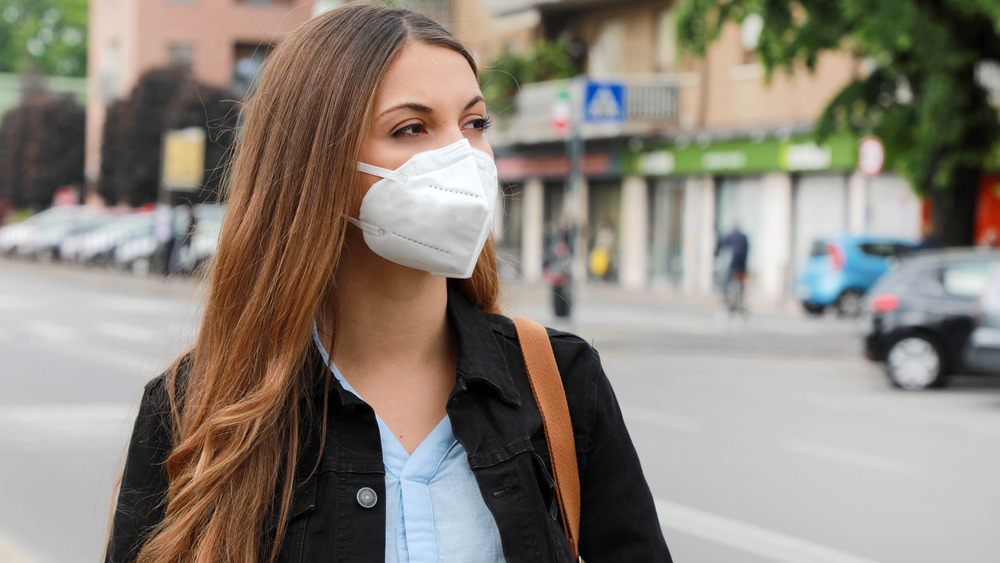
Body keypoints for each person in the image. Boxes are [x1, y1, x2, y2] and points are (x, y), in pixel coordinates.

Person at [104, 4, 670, 563]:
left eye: (475, 123)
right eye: (411, 128)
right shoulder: (198, 405)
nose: (462, 156)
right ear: (313, 165)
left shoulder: (560, 384)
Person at [716, 221, 749, 312]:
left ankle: (725, 296)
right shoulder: (744, 237)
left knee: (726, 279)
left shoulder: (731, 235)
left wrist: (716, 255)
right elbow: (747, 250)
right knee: (741, 280)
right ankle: (742, 295)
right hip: (742, 265)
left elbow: (721, 245)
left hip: (734, 263)